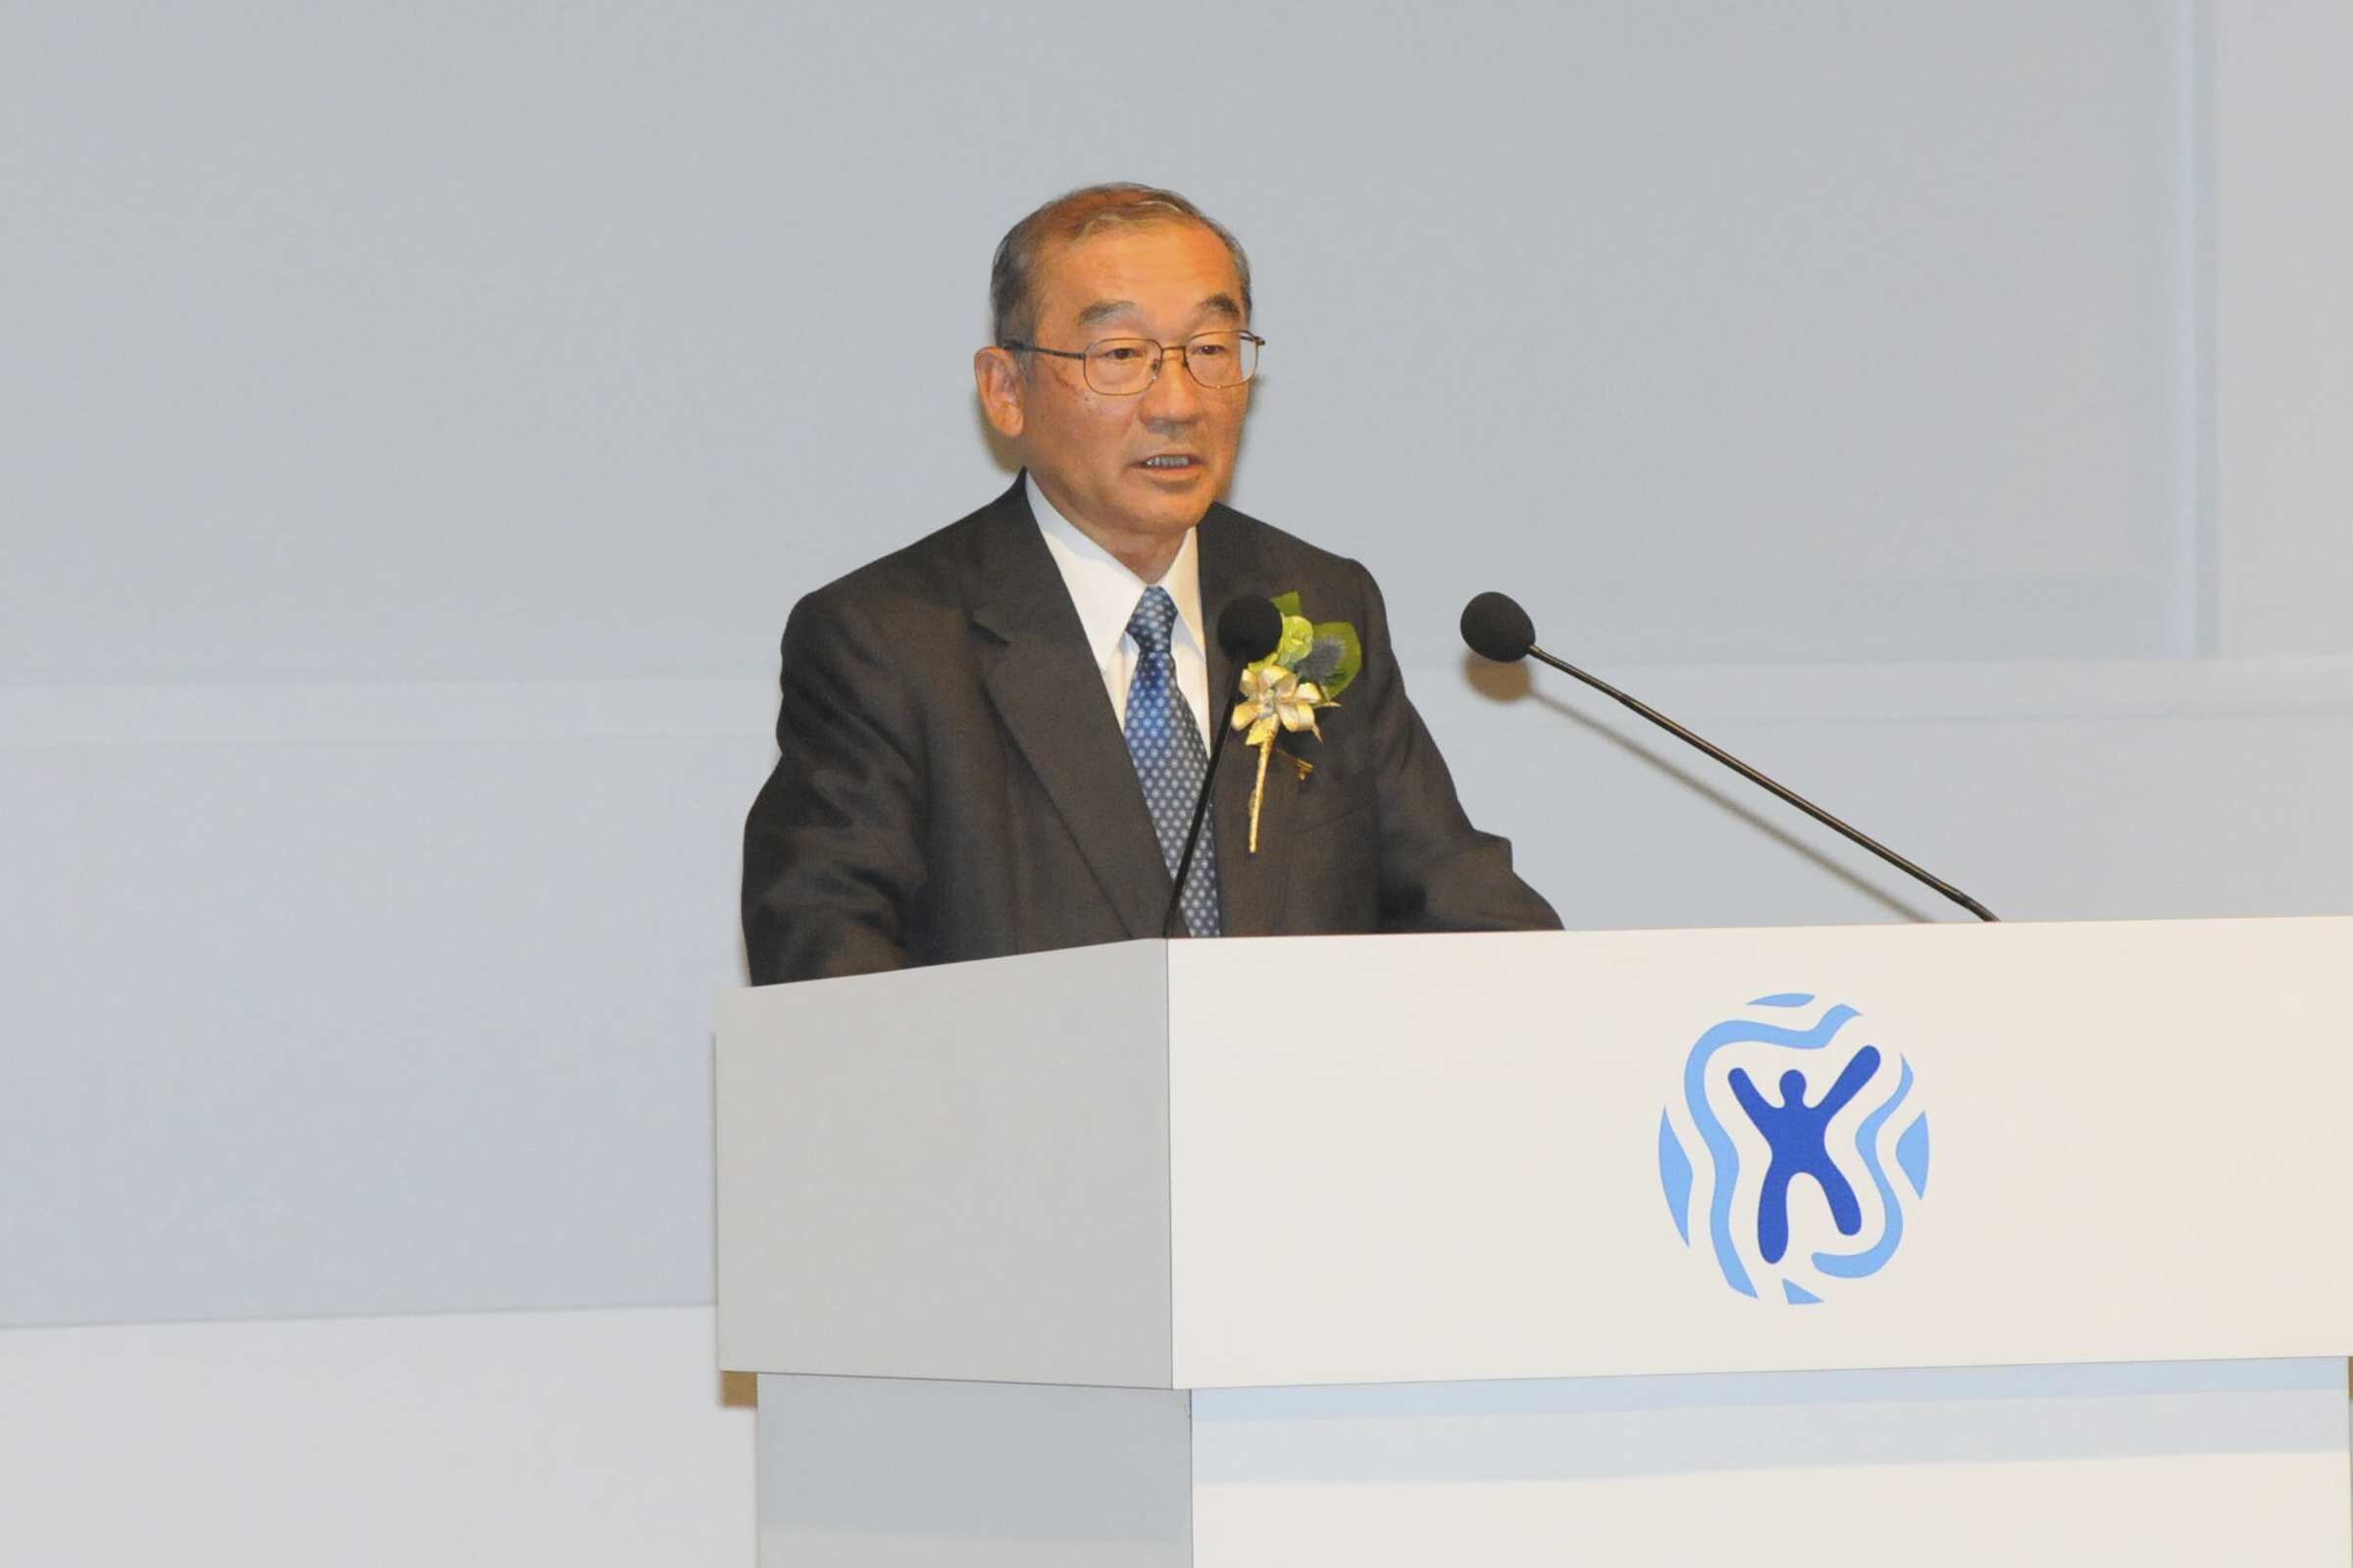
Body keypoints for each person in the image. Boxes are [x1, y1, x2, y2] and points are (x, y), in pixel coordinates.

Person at [742, 183, 1558, 985]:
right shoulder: (888, 641)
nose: (1177, 403)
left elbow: (1470, 913)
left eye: (1210, 350)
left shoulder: (1313, 602)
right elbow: (826, 965)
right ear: (1005, 390)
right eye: (1120, 356)